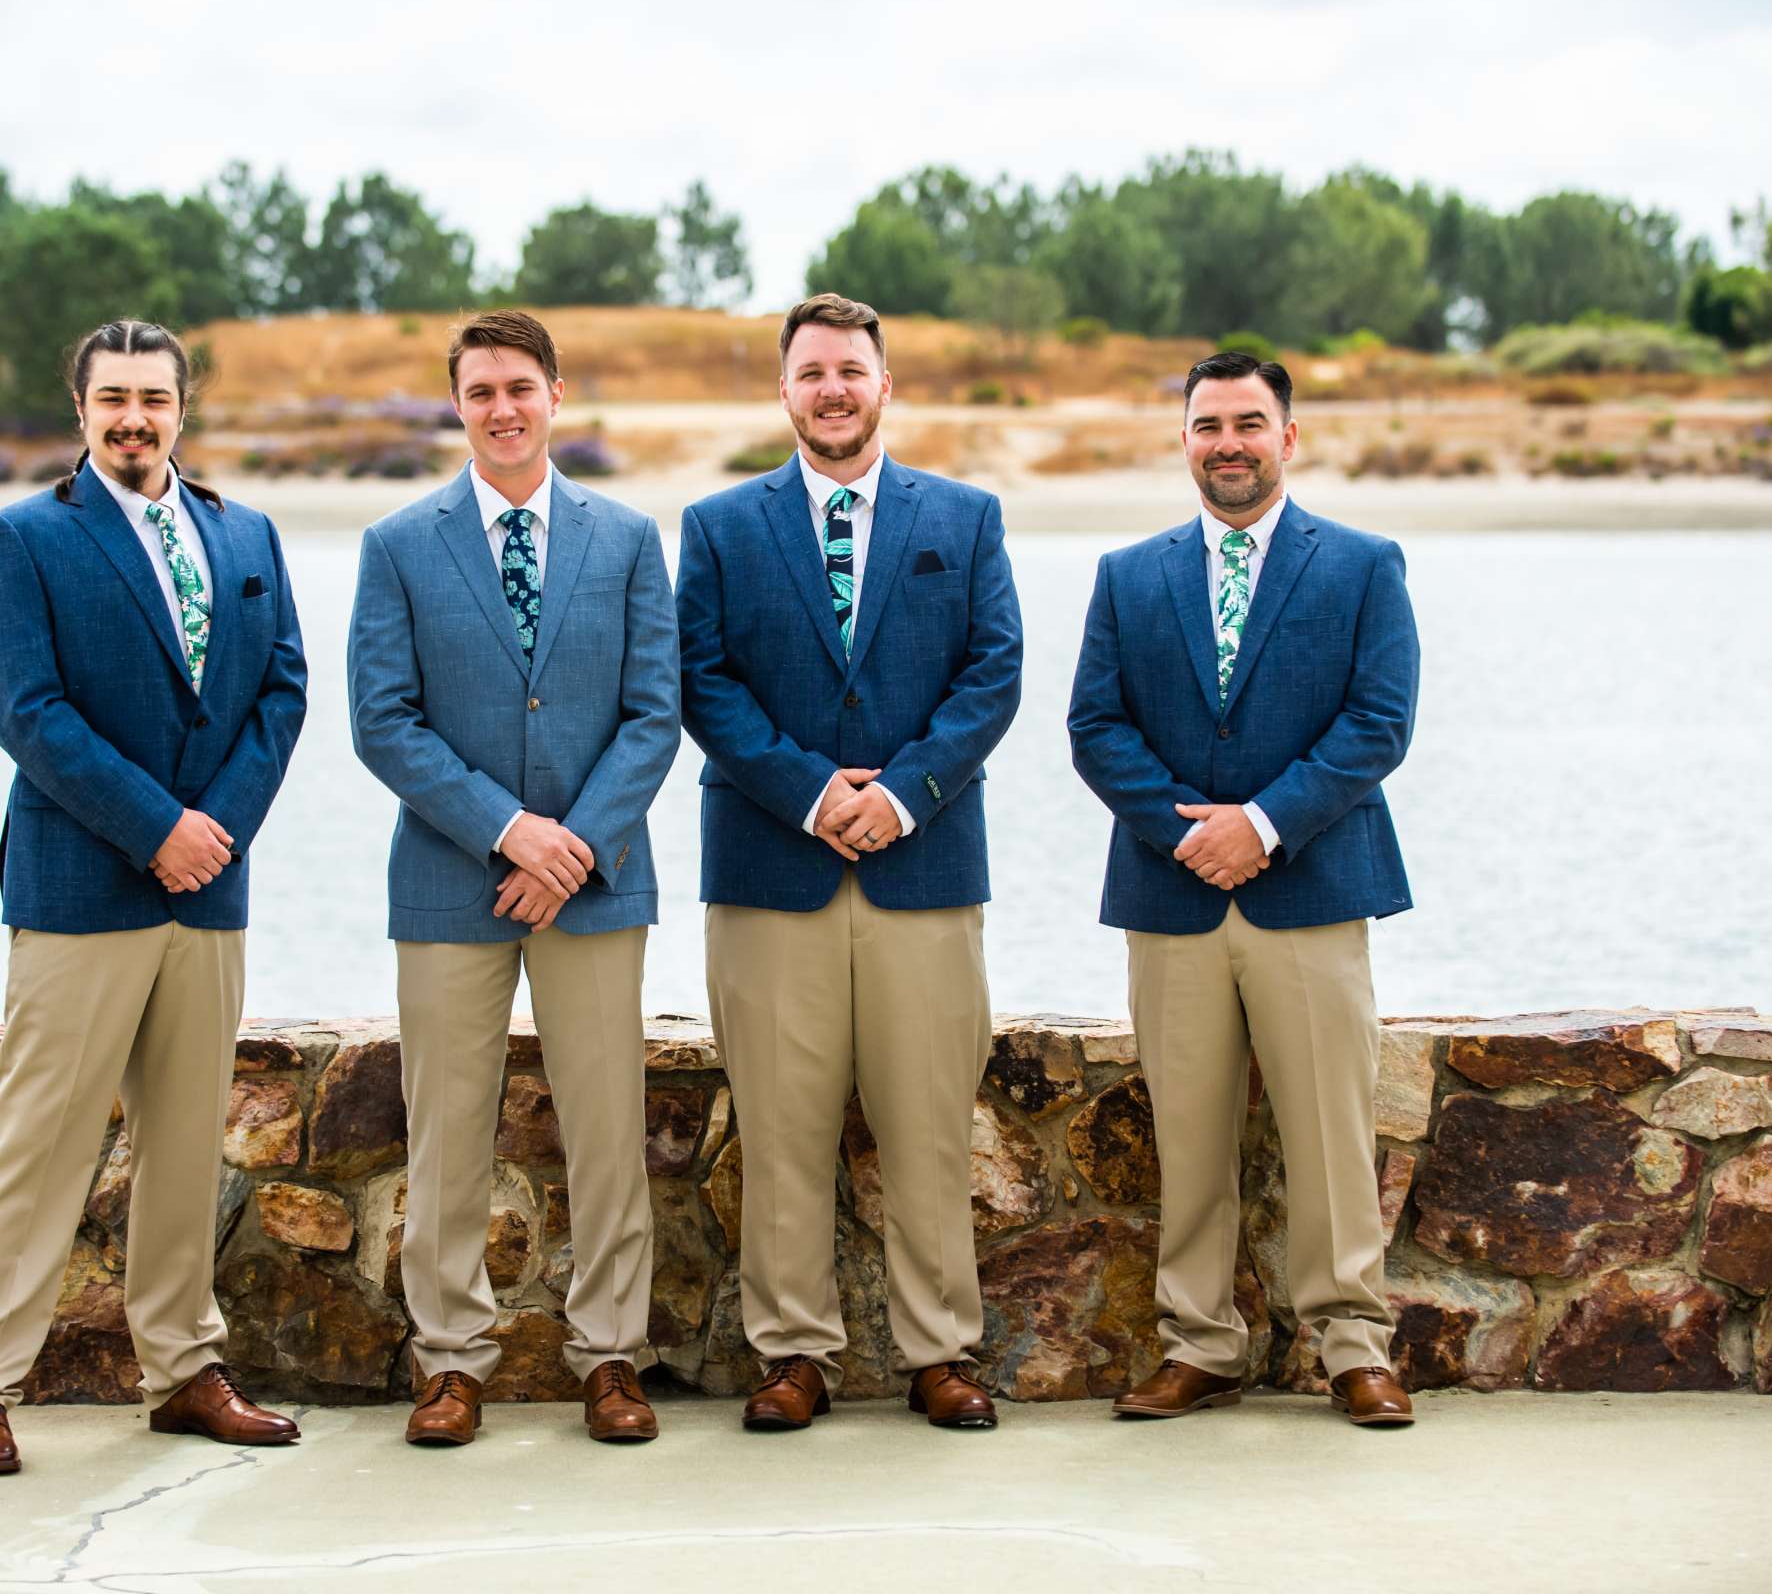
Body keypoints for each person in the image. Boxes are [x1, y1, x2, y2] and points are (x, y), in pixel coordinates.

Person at [0, 318, 309, 1475]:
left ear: (183, 408)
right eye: (113, 399)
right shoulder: (22, 538)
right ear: (82, 410)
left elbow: (284, 689)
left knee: (188, 1142)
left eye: (153, 396)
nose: (134, 417)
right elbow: (26, 709)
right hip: (79, 884)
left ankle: (185, 1369)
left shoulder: (247, 532)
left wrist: (216, 832)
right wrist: (157, 829)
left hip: (211, 889)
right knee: (38, 1141)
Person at [676, 292, 1023, 1432]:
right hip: (774, 867)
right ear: (784, 391)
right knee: (779, 1126)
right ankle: (793, 1353)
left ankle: (940, 1351)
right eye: (812, 371)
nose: (833, 389)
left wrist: (908, 794)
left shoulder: (965, 520)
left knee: (928, 1121)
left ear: (887, 386)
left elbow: (993, 676)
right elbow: (705, 683)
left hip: (922, 872)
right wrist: (814, 792)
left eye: (852, 371)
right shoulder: (720, 527)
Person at [1067, 349, 1421, 1428]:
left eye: (1249, 423)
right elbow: (1095, 726)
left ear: (1288, 437)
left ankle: (1354, 1344)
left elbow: (1379, 721)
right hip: (1173, 899)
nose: (1229, 443)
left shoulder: (1363, 565)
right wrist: (1193, 833)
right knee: (1189, 1134)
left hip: (1312, 892)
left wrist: (1261, 826)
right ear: (1184, 439)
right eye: (1208, 424)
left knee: (1328, 1129)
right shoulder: (1130, 575)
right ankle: (1200, 1343)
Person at [348, 310, 681, 1446]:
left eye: (521, 388)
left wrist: (570, 845)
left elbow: (653, 715)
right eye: (481, 390)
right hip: (451, 884)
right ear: (457, 403)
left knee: (607, 1127)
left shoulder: (629, 537)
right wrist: (506, 831)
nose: (503, 408)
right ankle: (450, 1360)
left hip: (596, 884)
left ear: (554, 396)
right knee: (446, 1132)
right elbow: (382, 723)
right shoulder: (397, 544)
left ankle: (612, 1356)